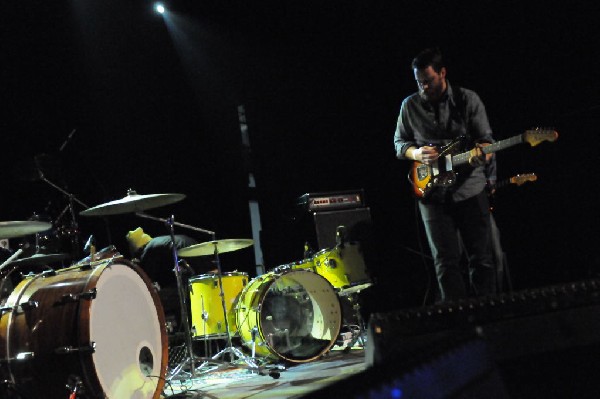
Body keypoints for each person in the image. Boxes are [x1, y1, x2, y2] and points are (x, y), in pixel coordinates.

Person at [394, 47, 496, 302]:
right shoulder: (410, 105)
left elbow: (486, 143)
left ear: (442, 73)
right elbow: (399, 144)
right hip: (431, 195)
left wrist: (483, 153)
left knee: (481, 260)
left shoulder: (467, 100)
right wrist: (417, 154)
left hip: (469, 190)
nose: (423, 87)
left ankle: (490, 315)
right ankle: (456, 322)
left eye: (428, 81)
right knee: (445, 264)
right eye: (419, 82)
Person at [126, 227, 214, 327]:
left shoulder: (149, 250)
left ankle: (170, 332)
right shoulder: (159, 242)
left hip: (192, 277)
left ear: (138, 250)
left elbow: (148, 281)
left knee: (154, 301)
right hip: (203, 269)